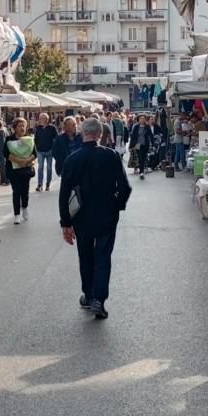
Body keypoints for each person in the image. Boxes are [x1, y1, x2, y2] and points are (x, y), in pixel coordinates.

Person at [59, 118, 132, 319]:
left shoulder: (72, 159)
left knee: (85, 255)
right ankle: (99, 298)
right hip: (107, 214)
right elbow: (125, 187)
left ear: (82, 133)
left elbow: (64, 194)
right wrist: (118, 206)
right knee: (103, 256)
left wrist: (65, 222)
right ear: (100, 134)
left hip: (81, 216)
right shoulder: (111, 156)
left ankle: (89, 295)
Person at [5, 117, 37, 224]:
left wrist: (26, 161)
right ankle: (17, 214)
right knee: (16, 192)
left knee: (25, 192)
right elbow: (6, 153)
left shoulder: (29, 139)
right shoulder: (9, 140)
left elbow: (34, 153)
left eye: (24, 126)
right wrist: (19, 160)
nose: (22, 128)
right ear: (15, 128)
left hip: (26, 169)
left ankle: (25, 207)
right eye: (20, 126)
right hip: (13, 170)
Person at [33, 112, 58, 192]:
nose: (41, 120)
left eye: (42, 118)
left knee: (49, 168)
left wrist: (53, 148)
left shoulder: (52, 128)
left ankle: (48, 184)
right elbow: (36, 139)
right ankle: (40, 184)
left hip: (49, 151)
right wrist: (36, 147)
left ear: (47, 120)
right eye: (40, 118)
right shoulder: (38, 128)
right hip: (40, 151)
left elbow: (56, 139)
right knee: (40, 167)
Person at [129, 114, 153, 180]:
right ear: (139, 119)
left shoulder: (147, 127)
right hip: (137, 145)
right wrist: (130, 146)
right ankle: (141, 172)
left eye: (143, 118)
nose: (142, 120)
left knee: (144, 157)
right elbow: (133, 137)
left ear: (145, 119)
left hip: (145, 145)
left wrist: (153, 144)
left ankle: (141, 170)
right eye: (141, 118)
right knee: (140, 158)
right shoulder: (136, 127)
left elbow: (151, 135)